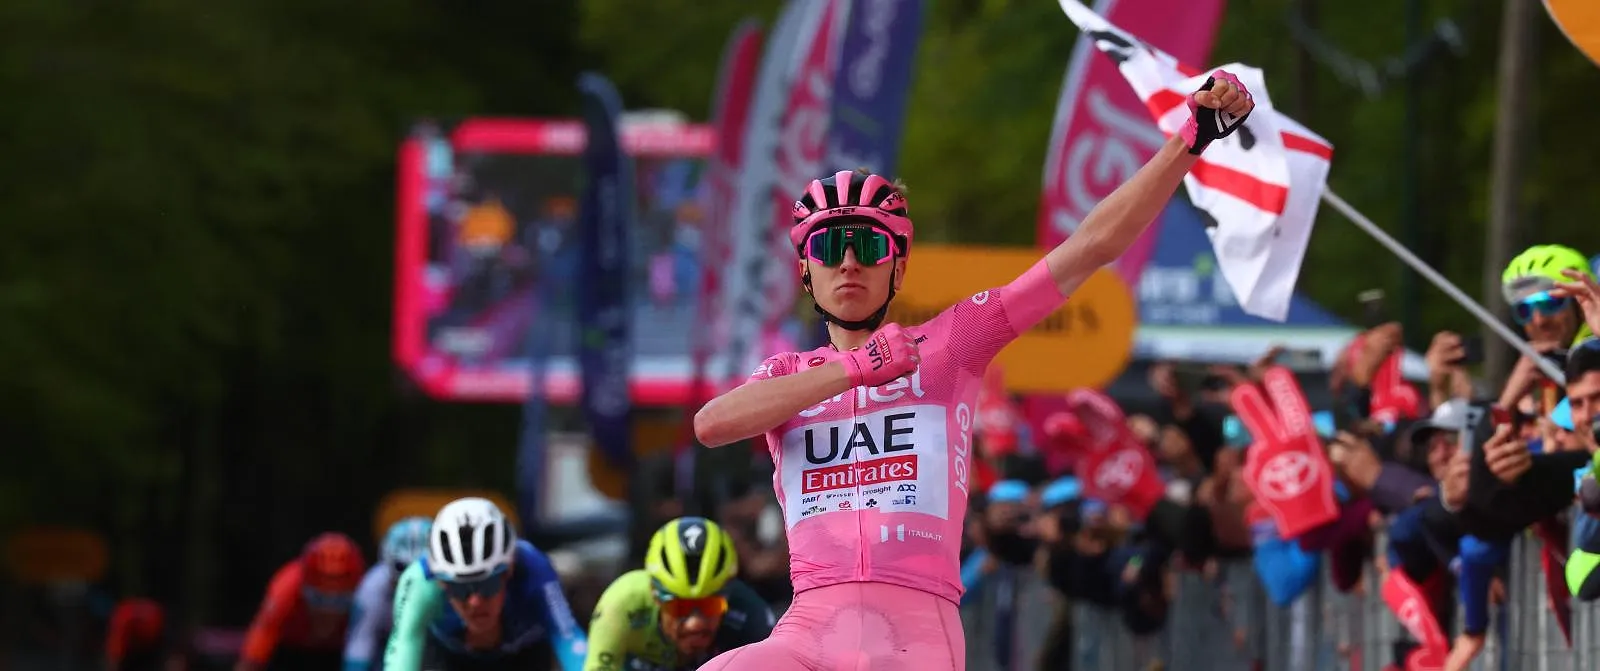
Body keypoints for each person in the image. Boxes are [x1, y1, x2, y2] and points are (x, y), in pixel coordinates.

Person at [690, 73, 1256, 669]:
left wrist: (1189, 139)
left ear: (898, 268)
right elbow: (711, 424)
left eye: (868, 246)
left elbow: (1089, 247)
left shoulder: (951, 342)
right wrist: (854, 369)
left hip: (914, 637)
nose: (849, 262)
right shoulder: (788, 374)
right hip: (808, 632)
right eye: (829, 248)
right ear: (806, 272)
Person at [383, 497, 586, 671]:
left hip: (523, 655)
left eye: (488, 585)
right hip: (448, 658)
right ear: (441, 583)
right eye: (460, 589)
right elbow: (403, 646)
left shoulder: (533, 567)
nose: (475, 602)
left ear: (509, 571)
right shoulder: (420, 581)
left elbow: (568, 636)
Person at [584, 517, 775, 671]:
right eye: (679, 607)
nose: (695, 623)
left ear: (727, 596)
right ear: (655, 596)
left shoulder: (752, 614)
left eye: (710, 605)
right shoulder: (624, 602)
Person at [238, 532, 367, 671]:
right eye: (318, 598)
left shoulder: (367, 595)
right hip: (287, 652)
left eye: (340, 601)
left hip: (346, 655)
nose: (328, 612)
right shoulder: (286, 588)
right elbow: (251, 661)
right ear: (303, 587)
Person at [344, 517, 433, 671]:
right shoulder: (372, 588)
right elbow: (360, 645)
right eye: (402, 568)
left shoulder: (451, 585)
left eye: (422, 570)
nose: (412, 581)